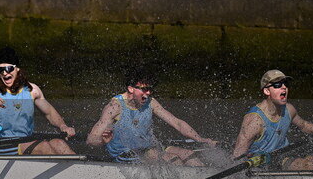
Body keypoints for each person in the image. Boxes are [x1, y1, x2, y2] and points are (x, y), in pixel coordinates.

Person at [86, 67, 217, 166]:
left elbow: (177, 123)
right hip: (125, 155)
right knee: (171, 159)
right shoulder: (114, 107)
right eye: (144, 89)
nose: (148, 93)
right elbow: (91, 139)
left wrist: (200, 139)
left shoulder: (151, 102)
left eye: (150, 89)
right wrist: (103, 141)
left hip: (150, 149)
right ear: (131, 89)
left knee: (189, 154)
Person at [0, 47, 76, 155]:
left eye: (9, 69)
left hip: (25, 142)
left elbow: (50, 113)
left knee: (59, 143)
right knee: (44, 147)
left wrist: (63, 126)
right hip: (0, 146)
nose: (5, 73)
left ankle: (78, 170)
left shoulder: (33, 90)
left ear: (17, 69)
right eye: (1, 70)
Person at [231, 70, 313, 170]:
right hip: (263, 162)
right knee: (309, 166)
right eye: (278, 85)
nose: (284, 88)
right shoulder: (254, 120)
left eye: (285, 84)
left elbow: (305, 126)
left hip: (285, 154)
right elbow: (237, 156)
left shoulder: (289, 109)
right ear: (267, 91)